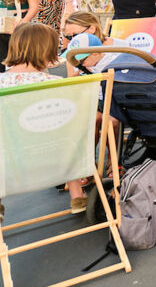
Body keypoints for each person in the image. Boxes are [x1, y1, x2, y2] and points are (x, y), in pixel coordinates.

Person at [0, 23, 89, 213]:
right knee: (68, 134)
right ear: (47, 51)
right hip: (54, 156)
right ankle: (77, 196)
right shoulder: (58, 85)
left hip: (10, 163)